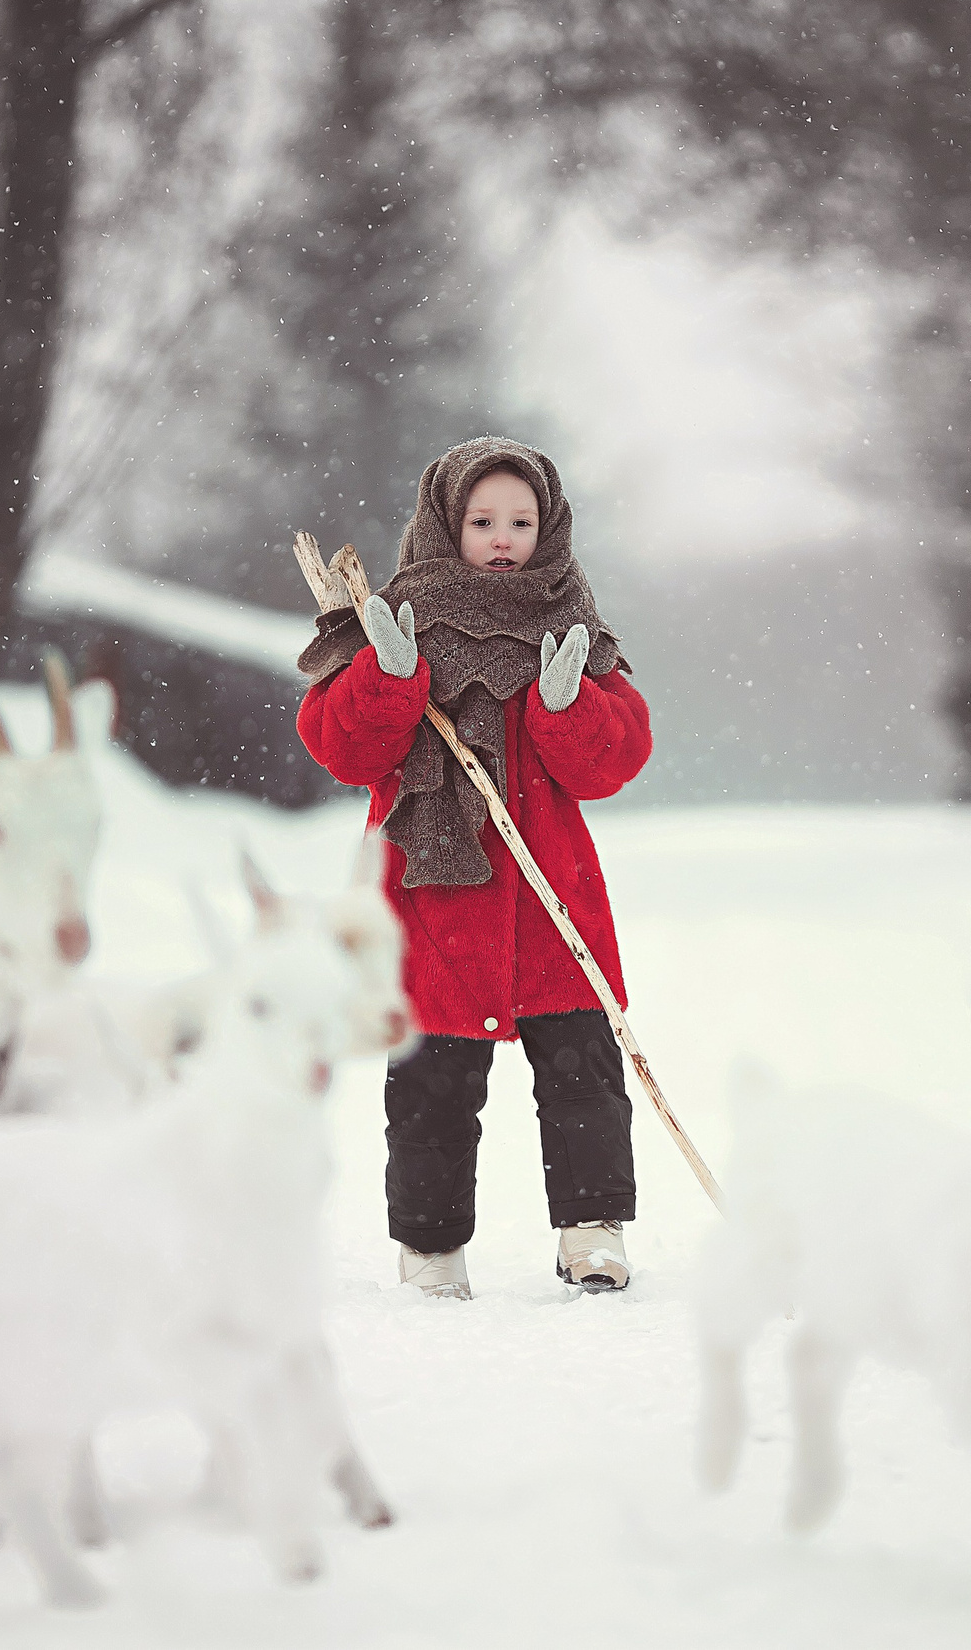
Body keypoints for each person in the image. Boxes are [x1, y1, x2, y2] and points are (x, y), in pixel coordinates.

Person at [298, 436, 653, 1298]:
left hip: (548, 900)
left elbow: (612, 763)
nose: (503, 537)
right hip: (431, 902)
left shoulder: (572, 624)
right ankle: (430, 1248)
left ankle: (591, 1230)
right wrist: (389, 673)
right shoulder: (395, 616)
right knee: (431, 1093)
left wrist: (565, 706)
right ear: (445, 523)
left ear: (550, 526)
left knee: (584, 1081)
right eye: (483, 519)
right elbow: (343, 749)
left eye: (521, 521)